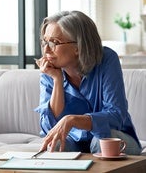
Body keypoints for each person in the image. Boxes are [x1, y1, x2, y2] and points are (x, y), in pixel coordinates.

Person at [34, 10, 142, 155]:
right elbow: (49, 128)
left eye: (54, 42)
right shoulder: (50, 70)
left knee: (101, 141)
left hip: (116, 137)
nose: (46, 49)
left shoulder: (107, 59)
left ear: (78, 47)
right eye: (44, 41)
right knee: (56, 144)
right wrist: (57, 80)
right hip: (75, 141)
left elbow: (116, 115)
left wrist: (73, 120)